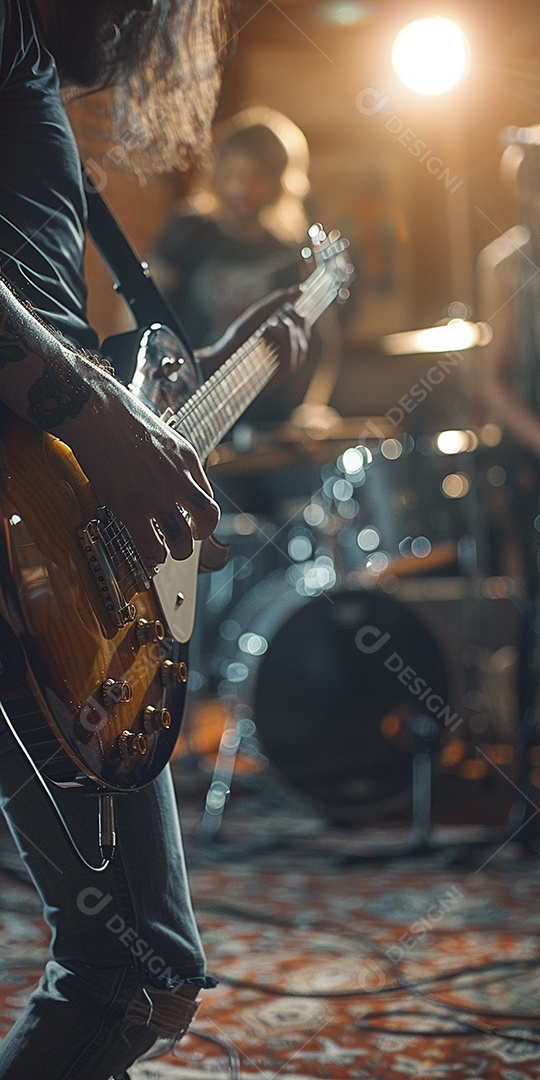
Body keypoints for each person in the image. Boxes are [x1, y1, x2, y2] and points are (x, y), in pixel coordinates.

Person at [0, 2, 308, 1078]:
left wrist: (226, 366)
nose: (149, 18)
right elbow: (82, 398)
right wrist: (94, 419)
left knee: (134, 977)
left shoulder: (28, 61)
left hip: (50, 544)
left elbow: (84, 360)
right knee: (129, 978)